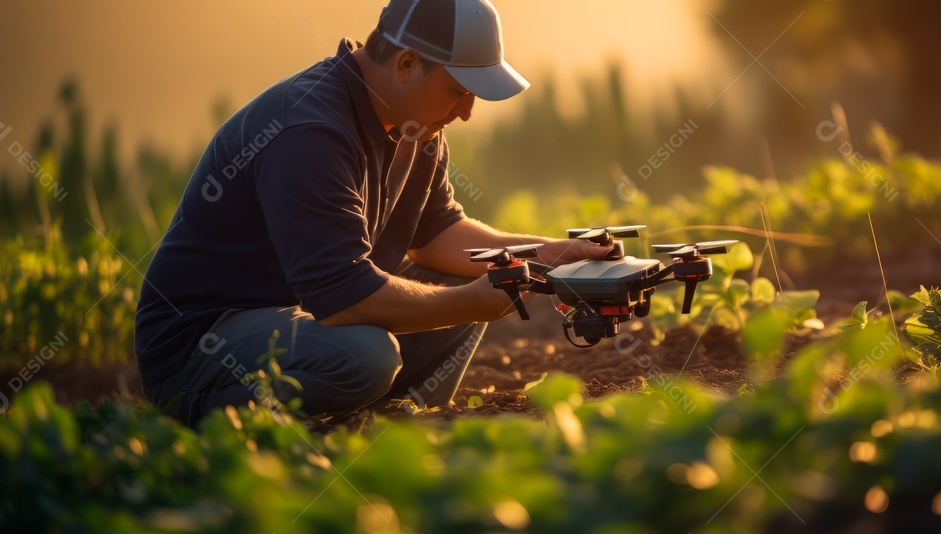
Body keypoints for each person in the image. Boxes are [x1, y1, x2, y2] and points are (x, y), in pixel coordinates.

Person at [134, 0, 612, 426]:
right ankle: (210, 419)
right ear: (406, 64)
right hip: (206, 341)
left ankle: (396, 428)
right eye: (459, 89)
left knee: (481, 278)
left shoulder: (417, 126)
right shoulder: (309, 130)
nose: (467, 112)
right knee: (366, 355)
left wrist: (554, 254)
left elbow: (438, 232)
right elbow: (346, 299)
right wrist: (473, 302)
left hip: (297, 315)